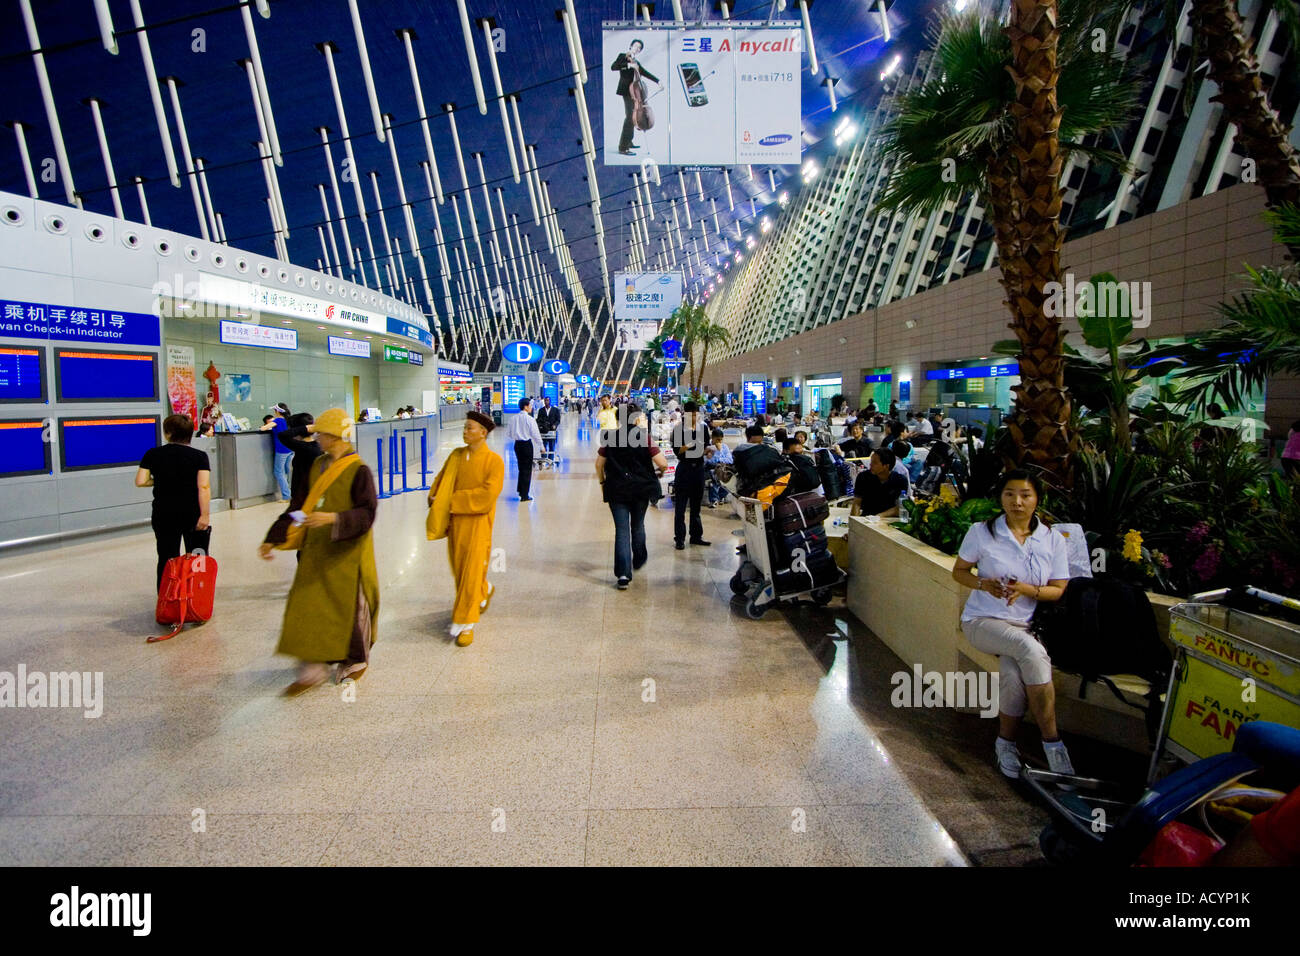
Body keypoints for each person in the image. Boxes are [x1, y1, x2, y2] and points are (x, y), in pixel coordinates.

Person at [951, 470, 1073, 779]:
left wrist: (1027, 590)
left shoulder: (1052, 539)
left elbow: (1058, 589)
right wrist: (982, 584)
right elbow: (959, 572)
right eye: (1009, 494)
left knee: (1013, 675)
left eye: (1025, 495)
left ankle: (1005, 744)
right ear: (1001, 497)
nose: (1017, 502)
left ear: (1037, 500)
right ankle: (1053, 744)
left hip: (1026, 624)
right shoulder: (983, 532)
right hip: (983, 621)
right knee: (1029, 651)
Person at [261, 408, 379, 695]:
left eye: (322, 434)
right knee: (308, 603)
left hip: (347, 549)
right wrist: (274, 536)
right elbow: (301, 503)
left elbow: (367, 513)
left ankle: (354, 659)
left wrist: (333, 519)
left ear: (334, 436)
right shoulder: (318, 464)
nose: (318, 439)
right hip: (316, 548)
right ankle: (313, 664)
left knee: (349, 606)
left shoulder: (358, 469)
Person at [427, 410, 504, 646]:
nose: (465, 431)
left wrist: (450, 501)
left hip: (478, 524)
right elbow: (441, 482)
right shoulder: (456, 456)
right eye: (464, 427)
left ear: (483, 433)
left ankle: (466, 623)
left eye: (469, 428)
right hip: (455, 523)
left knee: (471, 570)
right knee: (460, 569)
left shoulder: (494, 462)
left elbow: (486, 496)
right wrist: (435, 498)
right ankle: (484, 589)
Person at [136, 414, 212, 591]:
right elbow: (204, 487)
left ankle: (167, 601)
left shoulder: (152, 454)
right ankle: (197, 598)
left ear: (168, 433)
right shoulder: (199, 456)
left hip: (164, 514)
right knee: (197, 556)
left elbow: (140, 481)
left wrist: (161, 480)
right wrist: (205, 515)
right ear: (190, 433)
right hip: (192, 514)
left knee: (166, 557)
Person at [597, 404, 669, 588]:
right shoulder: (644, 437)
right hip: (640, 489)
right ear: (636, 418)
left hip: (616, 489)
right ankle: (639, 559)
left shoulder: (610, 437)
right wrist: (659, 472)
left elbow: (599, 464)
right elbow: (662, 463)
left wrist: (603, 482)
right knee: (637, 525)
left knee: (621, 530)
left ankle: (622, 574)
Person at [260, 413, 325, 562]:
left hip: (304, 500)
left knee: (303, 536)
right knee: (303, 534)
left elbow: (283, 435)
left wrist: (305, 428)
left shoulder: (305, 448)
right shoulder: (315, 447)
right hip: (306, 499)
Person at [672, 401, 711, 550]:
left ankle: (696, 536)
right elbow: (678, 451)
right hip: (684, 470)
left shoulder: (704, 428)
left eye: (696, 414)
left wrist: (708, 450)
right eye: (691, 414)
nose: (694, 417)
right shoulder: (678, 430)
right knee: (680, 508)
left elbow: (706, 446)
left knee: (696, 507)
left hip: (699, 469)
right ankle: (679, 539)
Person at [612, 38, 661, 155]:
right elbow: (614, 67)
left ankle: (629, 141)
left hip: (635, 92)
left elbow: (644, 72)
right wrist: (629, 65)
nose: (637, 49)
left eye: (639, 48)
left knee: (634, 117)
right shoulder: (623, 56)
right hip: (626, 91)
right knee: (629, 118)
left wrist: (658, 81)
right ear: (630, 46)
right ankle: (622, 147)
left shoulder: (637, 62)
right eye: (636, 46)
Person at [851, 448, 909, 518]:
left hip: (889, 517)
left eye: (875, 463)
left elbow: (899, 507)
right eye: (871, 461)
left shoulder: (900, 480)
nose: (870, 465)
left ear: (886, 466)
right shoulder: (863, 477)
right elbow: (857, 502)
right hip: (867, 516)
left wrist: (878, 516)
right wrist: (855, 520)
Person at [505, 396, 543, 501]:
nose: (531, 407)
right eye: (530, 405)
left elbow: (509, 434)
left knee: (521, 468)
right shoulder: (530, 419)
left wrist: (518, 435)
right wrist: (541, 446)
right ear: (526, 407)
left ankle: (521, 491)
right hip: (527, 445)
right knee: (527, 470)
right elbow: (536, 434)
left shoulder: (513, 419)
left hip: (517, 445)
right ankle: (525, 495)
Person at [259, 403, 293, 500]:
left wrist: (268, 425)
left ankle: (286, 496)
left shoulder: (278, 420)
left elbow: (263, 428)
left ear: (277, 411)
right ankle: (291, 492)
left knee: (278, 472)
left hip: (281, 450)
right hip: (290, 449)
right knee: (287, 471)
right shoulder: (288, 420)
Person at [704, 428, 733, 507]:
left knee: (731, 477)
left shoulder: (725, 447)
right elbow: (708, 461)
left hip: (723, 468)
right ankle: (714, 499)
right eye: (717, 440)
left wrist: (719, 459)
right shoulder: (708, 447)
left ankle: (720, 496)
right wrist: (718, 452)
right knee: (715, 474)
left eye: (721, 440)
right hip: (710, 468)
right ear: (712, 438)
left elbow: (730, 460)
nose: (719, 442)